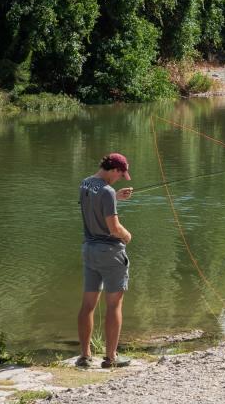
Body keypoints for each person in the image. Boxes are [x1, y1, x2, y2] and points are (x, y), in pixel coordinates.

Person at [76, 153, 134, 369]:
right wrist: (127, 235)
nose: (120, 178)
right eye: (120, 174)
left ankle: (84, 356)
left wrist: (115, 197)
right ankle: (110, 358)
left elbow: (93, 204)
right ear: (113, 169)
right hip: (110, 252)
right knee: (114, 305)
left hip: (89, 250)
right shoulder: (107, 191)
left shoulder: (85, 183)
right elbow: (114, 229)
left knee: (88, 304)